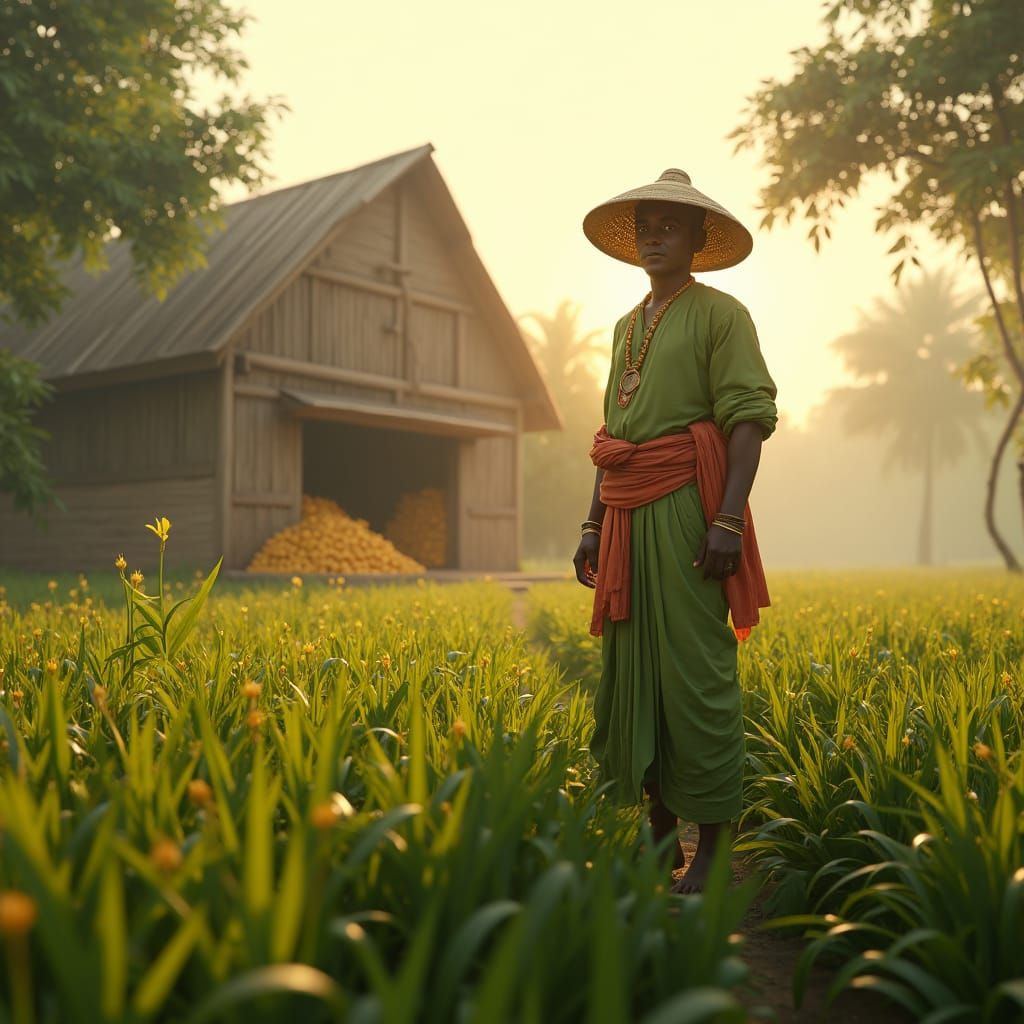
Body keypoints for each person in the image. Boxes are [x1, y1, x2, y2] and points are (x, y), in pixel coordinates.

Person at [573, 169, 778, 894]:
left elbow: (747, 418)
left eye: (671, 224)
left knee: (697, 674)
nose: (655, 235)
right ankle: (662, 840)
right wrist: (594, 521)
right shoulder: (626, 327)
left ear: (697, 238)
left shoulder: (723, 314)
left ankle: (716, 848)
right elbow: (611, 436)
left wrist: (727, 515)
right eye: (646, 225)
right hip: (625, 512)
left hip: (691, 506)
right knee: (633, 676)